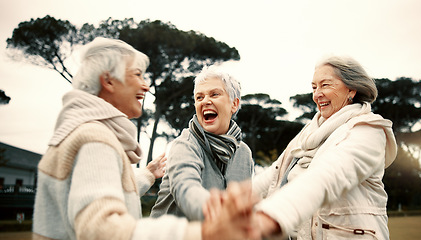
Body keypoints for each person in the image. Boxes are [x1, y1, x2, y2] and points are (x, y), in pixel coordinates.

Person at [32, 37, 259, 240]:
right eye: (137, 74)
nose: (146, 85)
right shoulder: (94, 138)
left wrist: (146, 175)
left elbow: (102, 192)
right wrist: (207, 230)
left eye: (214, 94)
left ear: (234, 104)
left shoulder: (85, 134)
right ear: (109, 81)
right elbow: (100, 230)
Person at [250, 55, 398, 240]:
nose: (317, 94)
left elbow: (327, 176)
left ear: (351, 89)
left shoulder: (369, 130)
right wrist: (234, 201)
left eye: (325, 85)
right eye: (314, 87)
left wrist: (271, 216)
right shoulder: (308, 133)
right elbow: (273, 174)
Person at [151, 65, 255, 221]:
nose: (205, 101)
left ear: (234, 104)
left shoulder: (244, 153)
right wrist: (220, 214)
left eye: (214, 94)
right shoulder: (184, 145)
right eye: (199, 97)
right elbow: (185, 189)